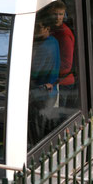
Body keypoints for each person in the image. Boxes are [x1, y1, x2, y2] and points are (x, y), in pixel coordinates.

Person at [28, 12, 60, 147]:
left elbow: (33, 73)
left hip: (41, 95)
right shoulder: (53, 41)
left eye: (39, 27)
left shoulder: (44, 47)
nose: (35, 29)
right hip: (50, 93)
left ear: (47, 28)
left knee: (37, 133)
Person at [48, 0, 76, 108]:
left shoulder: (64, 35)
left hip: (63, 83)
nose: (58, 17)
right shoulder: (54, 29)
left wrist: (47, 71)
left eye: (60, 14)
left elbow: (66, 66)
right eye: (55, 14)